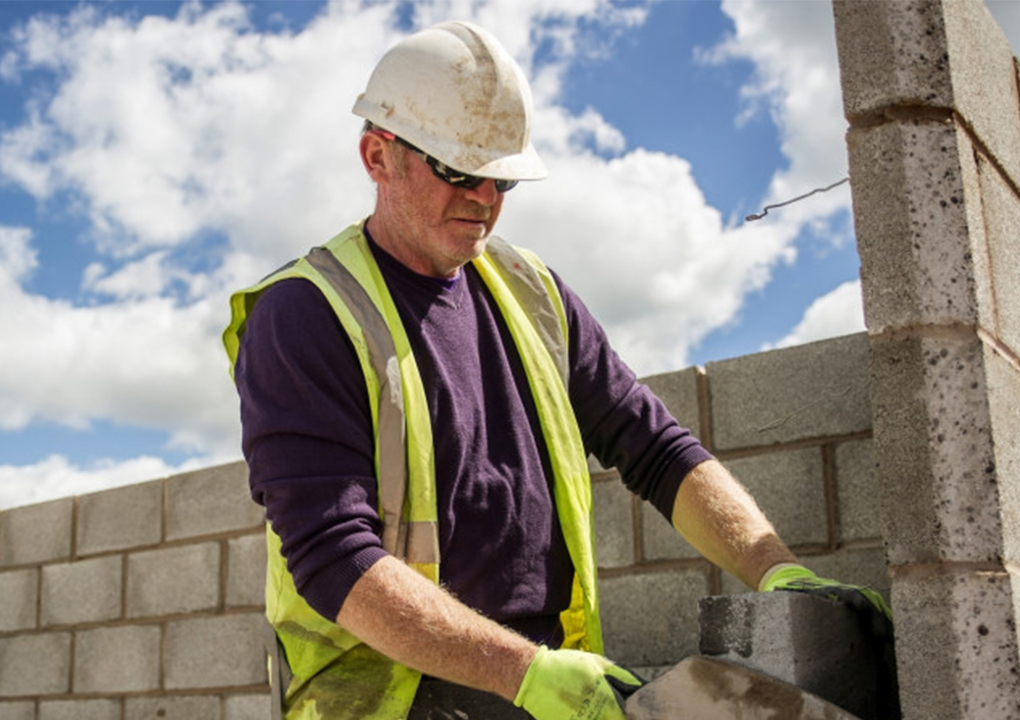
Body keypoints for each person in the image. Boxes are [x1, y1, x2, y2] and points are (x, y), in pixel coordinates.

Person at [222, 20, 892, 720]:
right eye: (459, 170)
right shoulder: (308, 314)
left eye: (502, 177)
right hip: (395, 695)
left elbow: (655, 447)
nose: (484, 198)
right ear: (377, 156)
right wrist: (526, 674)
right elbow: (333, 558)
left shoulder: (531, 292)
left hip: (539, 685)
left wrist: (775, 570)